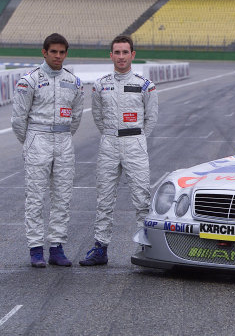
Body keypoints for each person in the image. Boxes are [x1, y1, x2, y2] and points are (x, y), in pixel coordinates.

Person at [79, 35, 158, 266]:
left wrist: (136, 137)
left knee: (141, 197)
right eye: (117, 52)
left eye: (125, 52)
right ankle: (100, 248)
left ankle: (147, 248)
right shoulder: (101, 83)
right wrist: (112, 134)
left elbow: (151, 119)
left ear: (132, 55)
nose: (121, 57)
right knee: (104, 198)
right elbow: (97, 116)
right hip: (109, 143)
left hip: (135, 142)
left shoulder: (146, 84)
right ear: (111, 55)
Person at [11, 33, 84, 268]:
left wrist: (62, 135)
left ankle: (56, 247)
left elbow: (76, 117)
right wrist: (30, 142)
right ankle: (35, 249)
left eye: (62, 52)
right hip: (37, 138)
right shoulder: (29, 80)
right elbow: (18, 119)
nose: (58, 56)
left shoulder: (74, 81)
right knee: (35, 196)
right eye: (54, 51)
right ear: (44, 52)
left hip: (63, 140)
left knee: (62, 197)